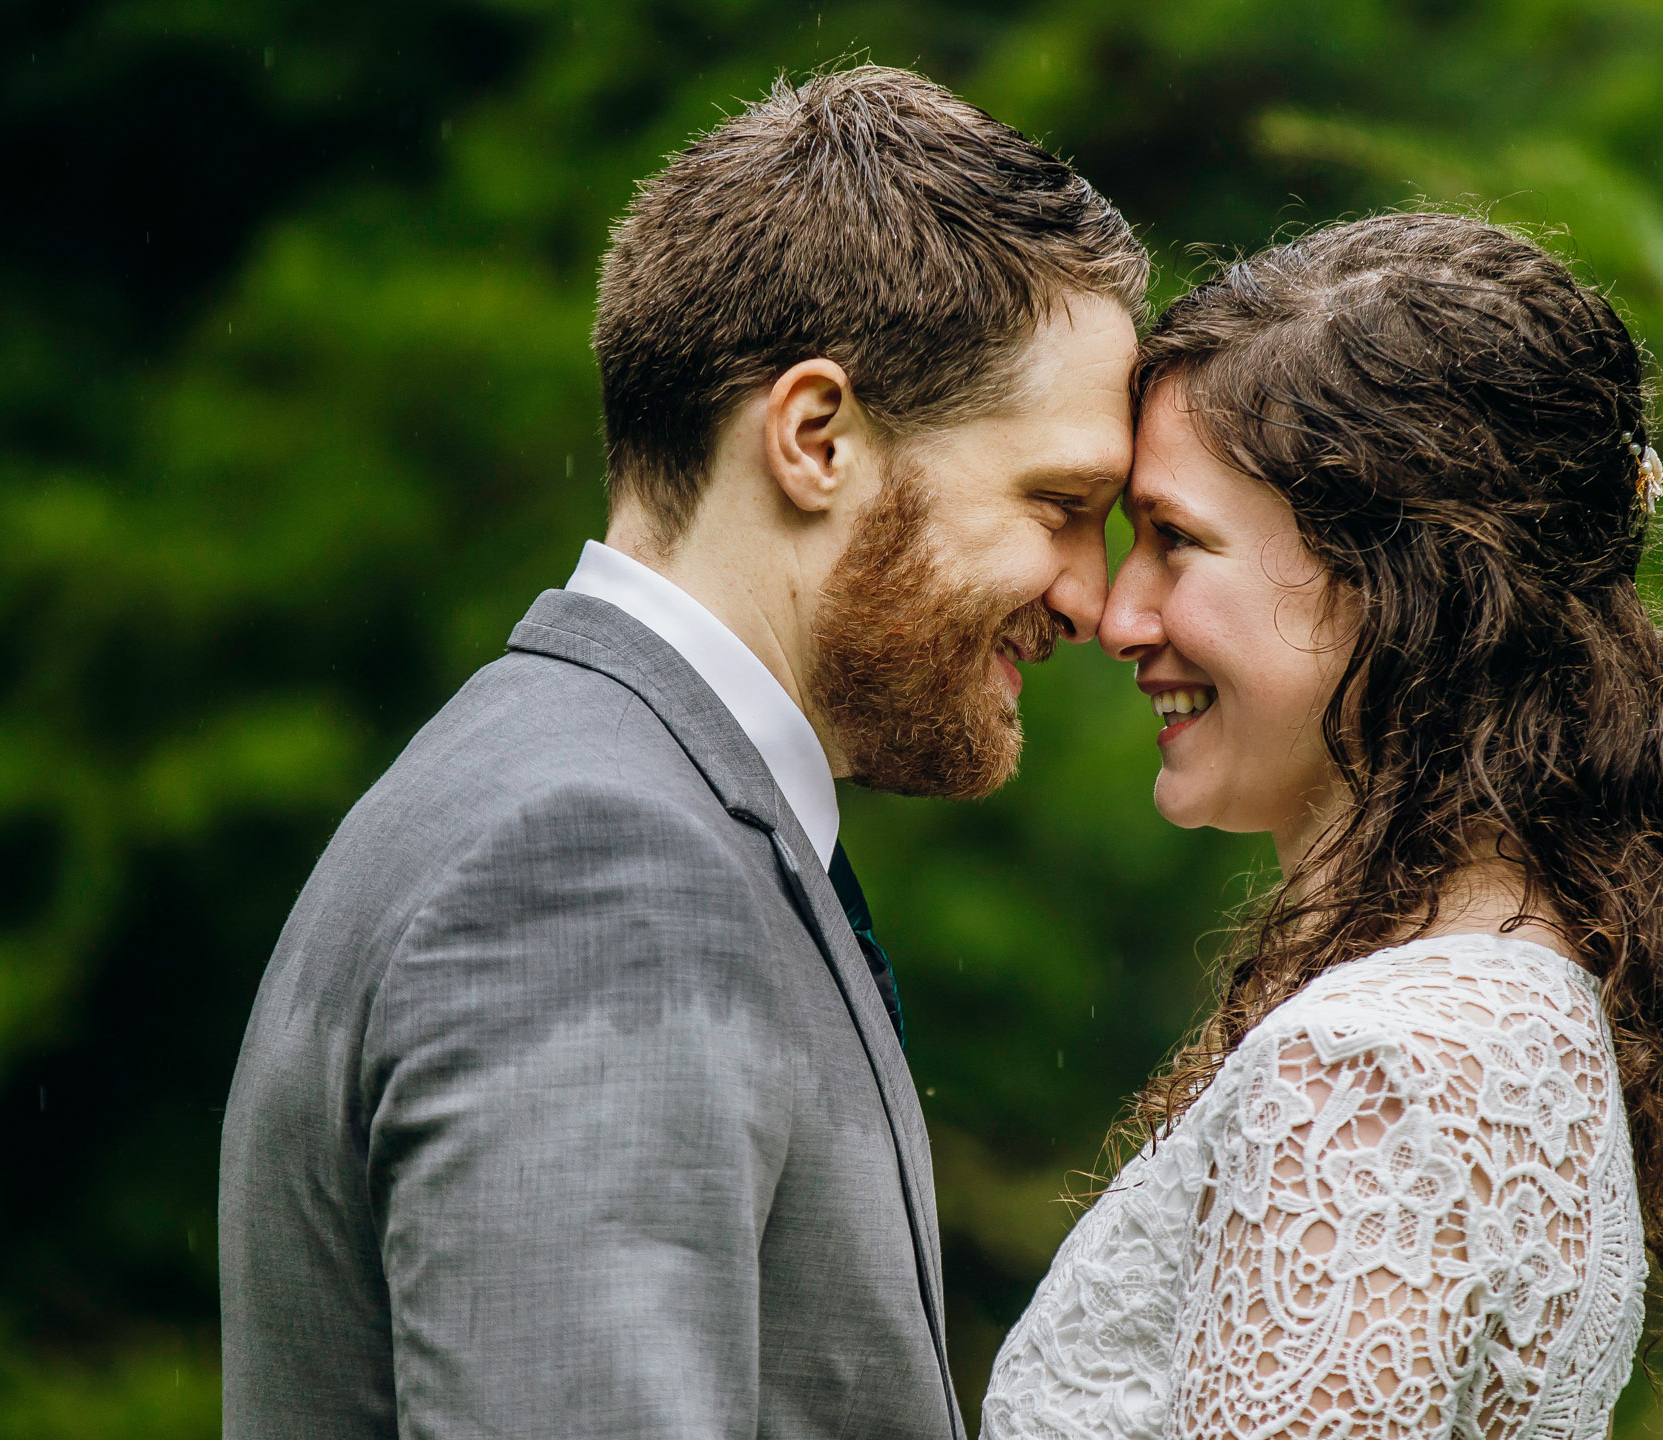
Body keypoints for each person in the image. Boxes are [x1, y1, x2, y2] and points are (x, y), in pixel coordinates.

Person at [219, 66, 1146, 1439]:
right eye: (1060, 503)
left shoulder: (596, 793)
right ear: (816, 438)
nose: (1094, 594)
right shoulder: (595, 867)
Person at [983, 213, 1663, 1439]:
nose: (1118, 614)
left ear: (1401, 583)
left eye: (1175, 541)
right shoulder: (1518, 1005)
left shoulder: (1377, 1070)